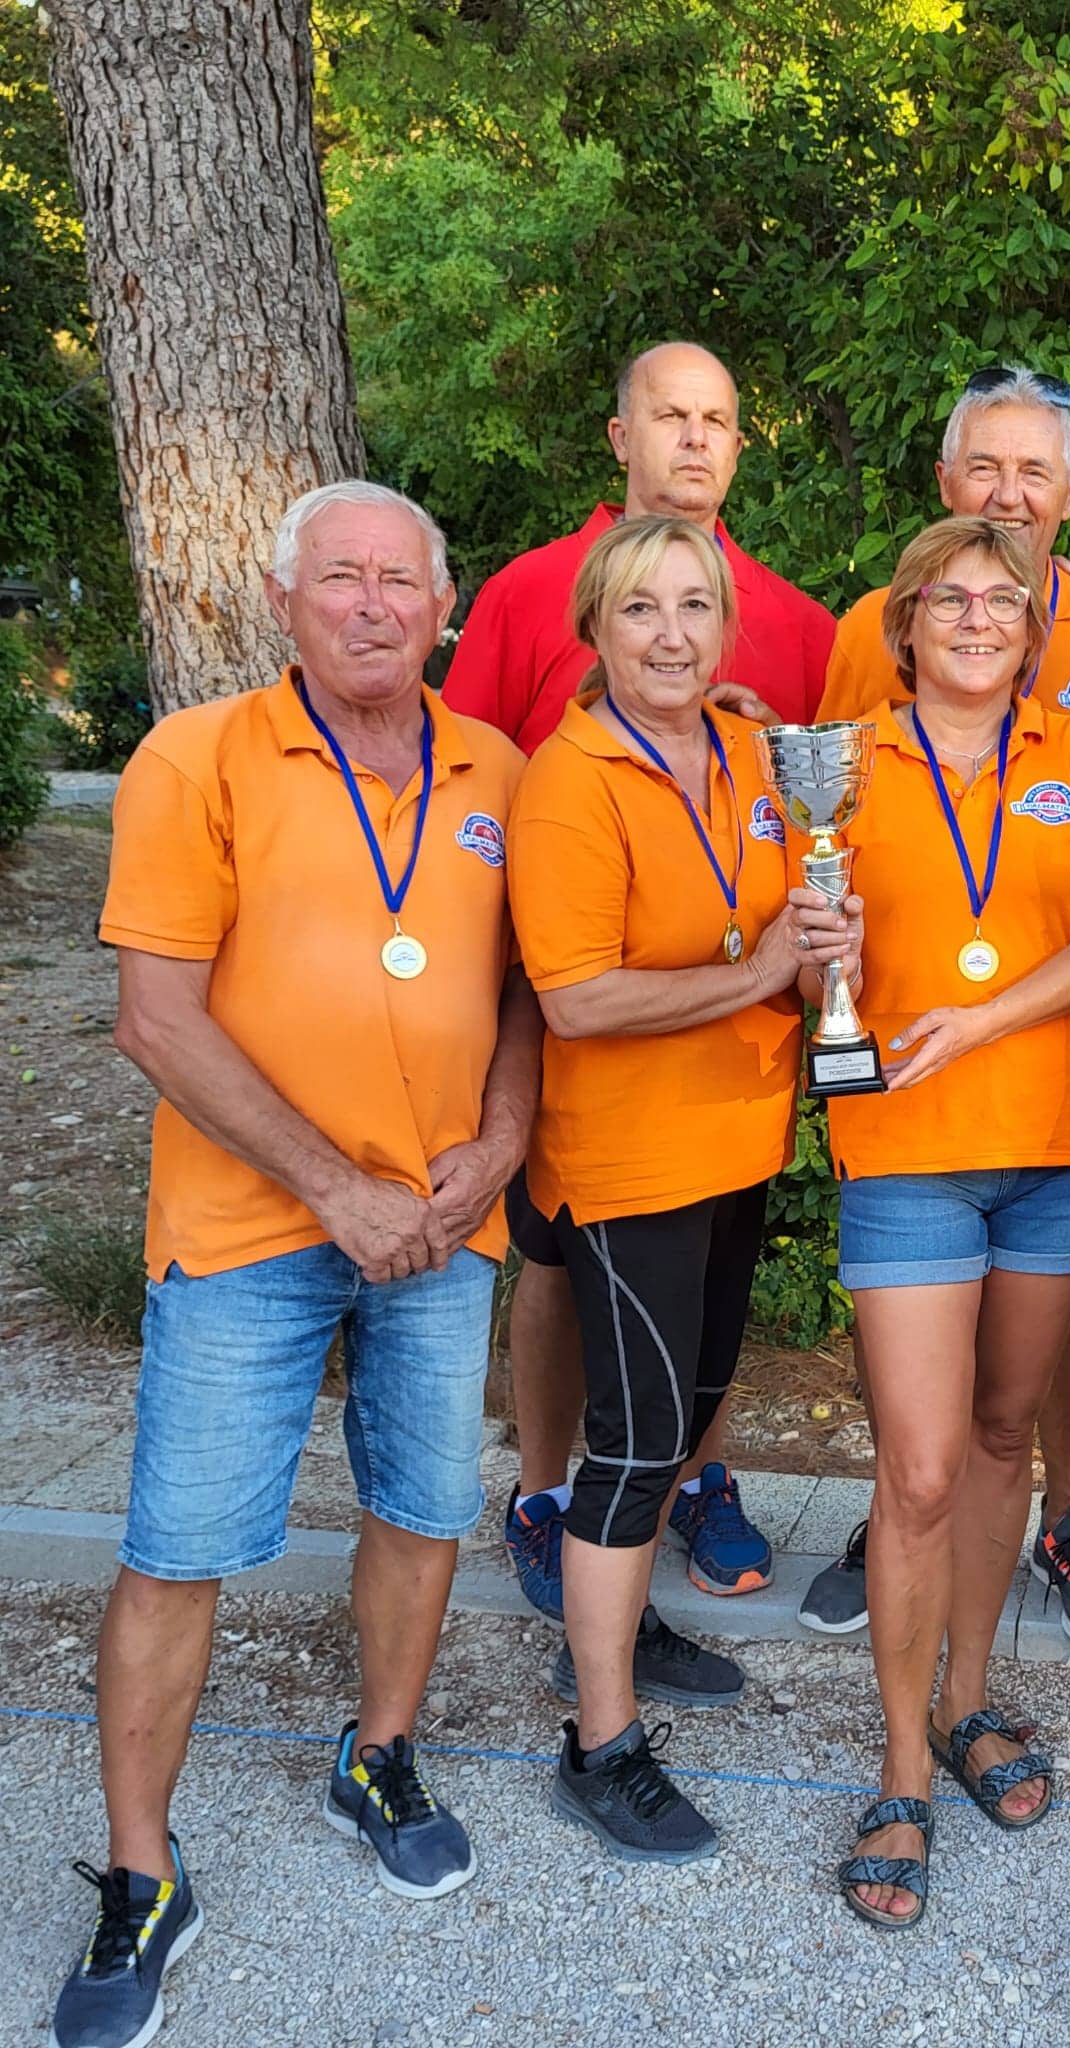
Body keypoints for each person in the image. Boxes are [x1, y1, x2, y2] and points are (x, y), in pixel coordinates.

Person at [51, 482, 539, 2048]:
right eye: (340, 577)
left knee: (426, 1507)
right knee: (179, 1542)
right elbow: (157, 1019)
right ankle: (142, 1874)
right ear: (282, 602)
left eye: (402, 579)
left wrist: (503, 1142)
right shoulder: (195, 759)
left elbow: (527, 988)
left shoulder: (501, 770)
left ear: (445, 607)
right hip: (252, 1227)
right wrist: (334, 1187)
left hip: (442, 1221)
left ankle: (377, 1757)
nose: (373, 604)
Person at [447, 342, 834, 1622]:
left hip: (732, 1074)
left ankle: (685, 1482)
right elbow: (464, 784)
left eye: (717, 417)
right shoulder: (527, 591)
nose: (693, 437)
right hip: (569, 1025)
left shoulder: (796, 622)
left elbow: (829, 797)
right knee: (563, 1277)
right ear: (622, 436)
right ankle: (548, 1496)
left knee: (687, 1322)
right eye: (669, 414)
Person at [804, 365, 1070, 1651]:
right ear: (943, 483)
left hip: (1063, 1081)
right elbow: (817, 848)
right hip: (905, 1106)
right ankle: (904, 1521)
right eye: (985, 467)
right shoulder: (868, 657)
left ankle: (1064, 1514)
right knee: (926, 1420)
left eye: (1034, 471)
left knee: (1045, 1341)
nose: (1008, 494)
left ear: (1069, 494)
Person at [506, 513, 854, 1859]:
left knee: (689, 1419)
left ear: (727, 626)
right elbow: (578, 999)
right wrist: (761, 970)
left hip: (737, 1144)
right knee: (638, 1445)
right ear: (594, 628)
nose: (670, 634)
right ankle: (600, 1743)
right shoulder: (570, 780)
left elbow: (783, 920)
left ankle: (623, 1620)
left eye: (695, 606)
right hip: (630, 1162)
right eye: (641, 608)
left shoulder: (756, 754)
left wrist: (822, 943)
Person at [821, 515, 1070, 1927]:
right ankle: (900, 1763)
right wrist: (814, 958)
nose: (973, 619)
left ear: (1032, 628)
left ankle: (967, 1701)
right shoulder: (842, 759)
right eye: (945, 598)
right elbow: (802, 955)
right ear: (903, 624)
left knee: (1007, 1435)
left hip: (1057, 1152)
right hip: (905, 1150)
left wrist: (981, 1019)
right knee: (920, 1467)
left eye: (999, 601)